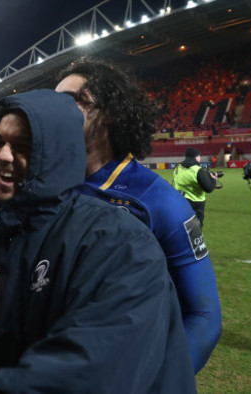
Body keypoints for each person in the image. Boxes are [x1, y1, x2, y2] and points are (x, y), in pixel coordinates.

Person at [0, 90, 196, 393]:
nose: (3, 155)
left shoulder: (117, 241)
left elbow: (90, 374)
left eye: (22, 146)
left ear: (56, 156)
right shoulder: (1, 238)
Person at [55, 57, 221, 374]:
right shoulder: (45, 187)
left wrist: (161, 382)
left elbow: (204, 315)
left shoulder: (158, 201)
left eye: (75, 101)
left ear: (111, 114)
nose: (58, 109)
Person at [173, 147, 218, 227]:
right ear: (196, 157)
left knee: (182, 226)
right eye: (199, 156)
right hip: (196, 204)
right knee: (196, 230)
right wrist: (214, 180)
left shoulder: (178, 167)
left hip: (180, 201)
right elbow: (209, 188)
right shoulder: (198, 170)